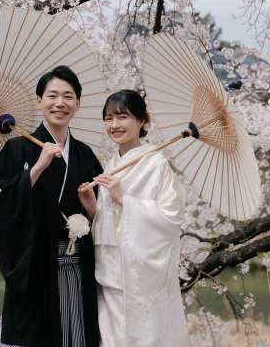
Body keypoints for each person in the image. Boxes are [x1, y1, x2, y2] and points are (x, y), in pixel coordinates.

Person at [0, 65, 103, 347]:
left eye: (68, 96)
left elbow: (103, 214)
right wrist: (36, 168)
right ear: (39, 101)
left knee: (74, 335)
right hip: (33, 266)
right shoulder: (17, 150)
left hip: (75, 265)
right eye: (52, 96)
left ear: (77, 104)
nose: (59, 103)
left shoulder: (85, 155)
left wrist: (92, 210)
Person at [78, 89, 190, 347]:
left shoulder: (156, 164)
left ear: (142, 120)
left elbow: (171, 218)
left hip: (139, 282)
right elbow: (110, 224)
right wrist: (95, 209)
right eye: (108, 118)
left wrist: (123, 200)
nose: (114, 125)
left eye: (122, 116)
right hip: (108, 278)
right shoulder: (113, 164)